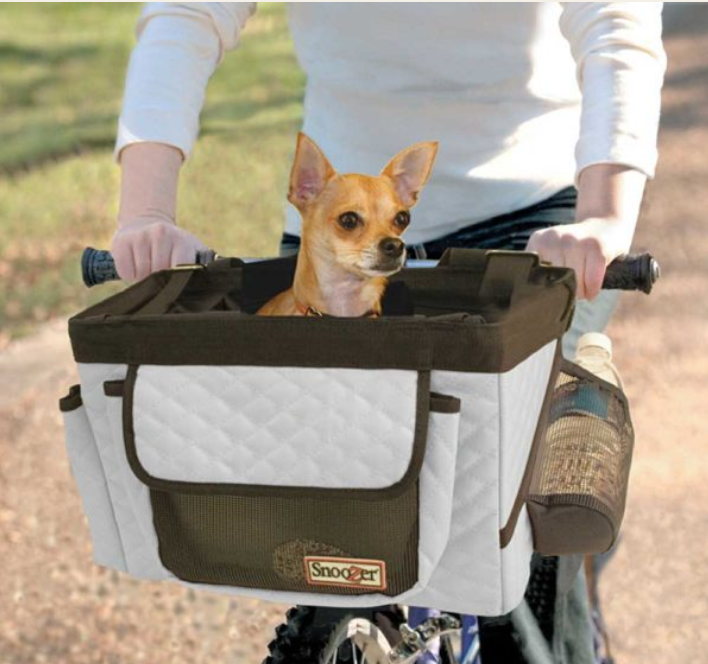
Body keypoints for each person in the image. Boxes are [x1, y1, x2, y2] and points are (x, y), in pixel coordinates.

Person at [111, 4, 666, 662]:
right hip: (342, 220)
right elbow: (187, 16)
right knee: (324, 475)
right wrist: (146, 212)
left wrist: (603, 215)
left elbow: (616, 24)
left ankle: (564, 626)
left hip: (531, 213)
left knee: (536, 480)